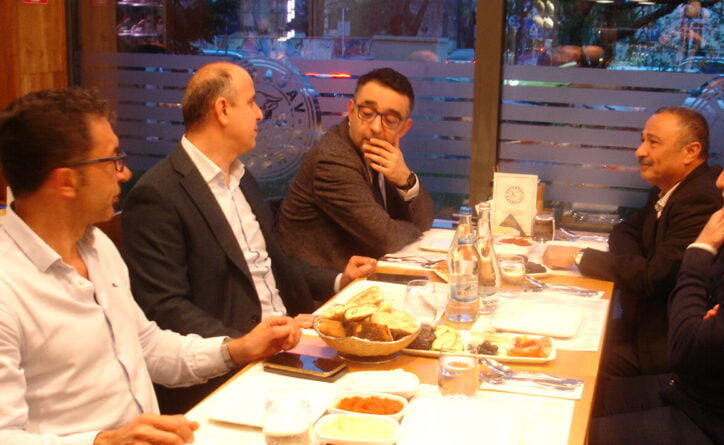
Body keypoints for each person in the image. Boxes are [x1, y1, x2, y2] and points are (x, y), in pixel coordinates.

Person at [0, 87, 302, 444]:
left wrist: (236, 349)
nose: (124, 173)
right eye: (112, 160)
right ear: (66, 181)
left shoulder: (97, 247)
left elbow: (146, 346)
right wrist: (104, 441)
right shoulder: (8, 287)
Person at [121, 62, 376, 413]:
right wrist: (244, 344)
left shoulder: (242, 179)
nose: (259, 113)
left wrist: (338, 280)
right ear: (223, 110)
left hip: (289, 343)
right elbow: (165, 308)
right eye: (252, 102)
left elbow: (275, 263)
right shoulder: (158, 195)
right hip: (229, 373)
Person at [589, 117, 724, 445]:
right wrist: (702, 314)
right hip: (687, 390)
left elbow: (686, 348)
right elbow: (693, 309)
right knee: (574, 400)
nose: (721, 181)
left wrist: (700, 250)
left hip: (715, 422)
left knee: (573, 432)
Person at [542, 106, 723, 376]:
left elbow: (655, 278)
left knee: (563, 360)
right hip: (640, 325)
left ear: (690, 152)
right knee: (554, 331)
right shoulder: (669, 188)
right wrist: (639, 266)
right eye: (642, 140)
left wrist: (579, 256)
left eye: (653, 142)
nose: (640, 151)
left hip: (659, 345)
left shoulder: (700, 199)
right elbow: (625, 230)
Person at [276, 67, 435, 271]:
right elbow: (386, 238)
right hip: (323, 284)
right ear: (351, 111)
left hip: (364, 273)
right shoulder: (333, 159)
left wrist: (406, 180)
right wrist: (415, 229)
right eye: (367, 113)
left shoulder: (382, 154)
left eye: (390, 120)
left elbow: (425, 218)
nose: (376, 127)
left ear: (404, 128)